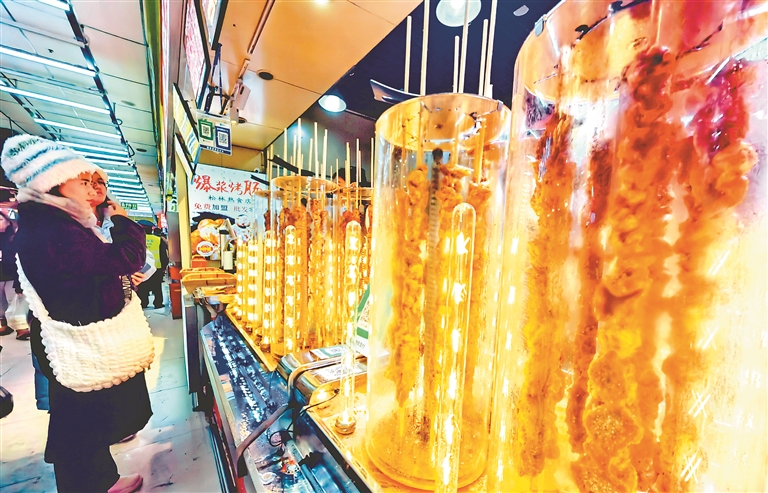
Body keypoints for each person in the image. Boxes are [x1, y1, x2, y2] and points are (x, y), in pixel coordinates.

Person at [2, 135, 152, 493]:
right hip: (75, 337)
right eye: (83, 181)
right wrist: (123, 222)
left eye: (94, 182)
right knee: (79, 421)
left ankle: (102, 479)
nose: (91, 189)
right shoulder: (54, 227)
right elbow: (124, 258)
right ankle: (91, 484)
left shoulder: (53, 220)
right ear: (52, 181)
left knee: (84, 418)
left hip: (74, 331)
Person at [90, 170, 157, 287]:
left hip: (122, 292)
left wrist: (138, 272)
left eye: (101, 182)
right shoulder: (73, 225)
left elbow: (145, 257)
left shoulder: (116, 219)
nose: (97, 186)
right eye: (88, 182)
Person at [0, 210, 29, 339]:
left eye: (0, 220)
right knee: (1, 303)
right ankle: (4, 324)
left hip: (11, 274)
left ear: (8, 221)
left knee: (14, 300)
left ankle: (21, 327)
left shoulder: (13, 237)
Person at [138, 225, 166, 309]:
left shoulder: (138, 239)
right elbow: (163, 254)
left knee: (143, 286)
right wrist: (164, 266)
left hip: (143, 268)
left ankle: (144, 303)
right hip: (157, 267)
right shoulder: (158, 239)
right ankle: (158, 303)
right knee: (157, 287)